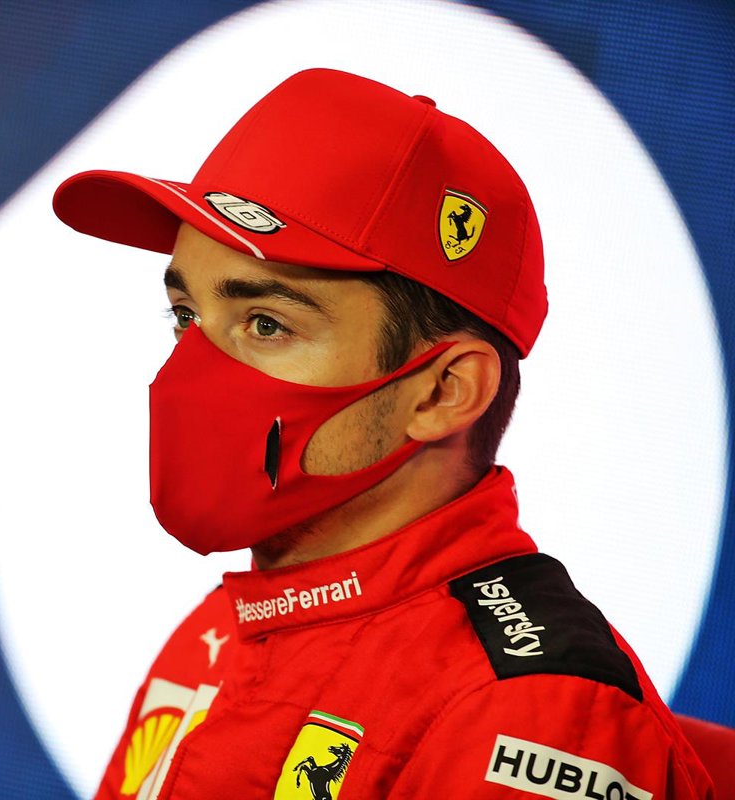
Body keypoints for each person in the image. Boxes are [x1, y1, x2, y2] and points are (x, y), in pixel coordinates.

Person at [52, 69, 714, 799]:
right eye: (186, 317)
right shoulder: (225, 628)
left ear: (443, 390)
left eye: (266, 323)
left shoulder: (533, 716)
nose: (191, 370)